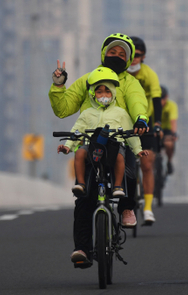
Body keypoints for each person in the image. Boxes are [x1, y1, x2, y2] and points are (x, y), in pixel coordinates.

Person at [49, 33, 149, 228]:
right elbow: (63, 109)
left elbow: (137, 102)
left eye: (122, 54)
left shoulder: (130, 83)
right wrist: (58, 85)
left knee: (129, 170)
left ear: (128, 60)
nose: (117, 56)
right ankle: (83, 249)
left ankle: (127, 208)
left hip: (120, 140)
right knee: (84, 198)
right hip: (91, 142)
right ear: (104, 54)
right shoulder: (87, 80)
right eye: (112, 52)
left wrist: (141, 120)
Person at [57, 67, 148, 265]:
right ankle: (82, 248)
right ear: (92, 93)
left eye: (107, 91)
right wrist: (67, 146)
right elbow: (76, 132)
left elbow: (131, 134)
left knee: (123, 165)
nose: (104, 95)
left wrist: (137, 149)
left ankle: (118, 189)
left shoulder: (122, 113)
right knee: (83, 200)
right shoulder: (87, 113)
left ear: (114, 92)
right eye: (99, 91)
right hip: (92, 153)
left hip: (114, 152)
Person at [127, 36, 162, 225]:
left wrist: (157, 124)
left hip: (145, 124)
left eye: (137, 55)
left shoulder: (149, 74)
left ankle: (148, 208)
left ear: (143, 57)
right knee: (126, 166)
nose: (133, 59)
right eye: (130, 55)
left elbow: (157, 101)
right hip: (124, 123)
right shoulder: (120, 74)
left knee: (147, 165)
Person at [160, 85, 179, 175]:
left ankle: (169, 161)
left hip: (167, 130)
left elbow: (173, 121)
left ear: (166, 97)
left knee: (169, 144)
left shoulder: (172, 106)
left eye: (162, 99)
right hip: (154, 128)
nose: (160, 102)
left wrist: (174, 133)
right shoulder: (151, 104)